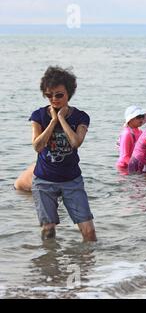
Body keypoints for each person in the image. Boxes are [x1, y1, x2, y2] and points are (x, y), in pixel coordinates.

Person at [30, 66, 96, 241]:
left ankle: (89, 266)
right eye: (49, 95)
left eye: (59, 95)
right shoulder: (38, 116)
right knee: (48, 231)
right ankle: (50, 264)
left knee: (88, 231)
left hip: (71, 180)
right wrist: (52, 121)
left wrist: (61, 118)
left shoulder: (81, 117)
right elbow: (37, 146)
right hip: (44, 181)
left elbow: (75, 143)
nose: (54, 99)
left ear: (69, 93)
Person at [116, 105, 146, 170]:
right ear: (130, 119)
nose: (141, 119)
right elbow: (125, 156)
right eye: (138, 117)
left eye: (142, 116)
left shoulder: (140, 132)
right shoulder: (127, 134)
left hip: (135, 165)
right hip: (125, 167)